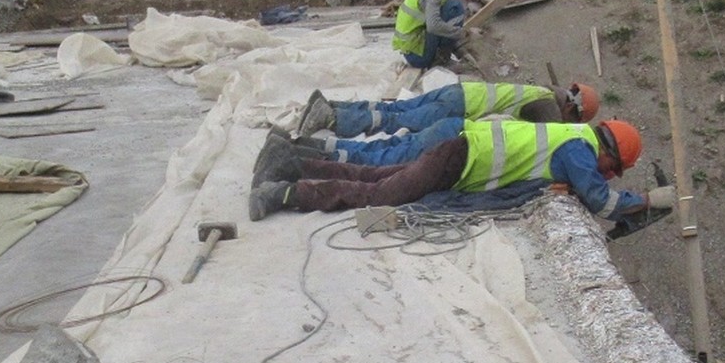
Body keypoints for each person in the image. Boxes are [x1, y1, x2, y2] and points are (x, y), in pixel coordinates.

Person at [248, 118, 674, 240]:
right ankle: (282, 192)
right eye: (611, 169)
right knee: (379, 194)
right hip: (461, 158)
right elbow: (602, 203)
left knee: (373, 173)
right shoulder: (579, 151)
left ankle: (291, 160)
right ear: (608, 154)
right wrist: (649, 200)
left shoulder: (572, 140)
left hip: (462, 149)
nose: (606, 175)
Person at [293, 81, 601, 140]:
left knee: (396, 108)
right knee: (395, 121)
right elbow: (548, 136)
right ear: (573, 111)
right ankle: (331, 118)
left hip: (462, 91)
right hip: (463, 106)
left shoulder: (542, 91)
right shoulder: (547, 105)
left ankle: (331, 105)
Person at [393, 0, 482, 69]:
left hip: (413, 51)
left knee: (450, 8)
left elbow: (439, 28)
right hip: (418, 56)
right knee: (455, 7)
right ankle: (441, 60)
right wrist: (466, 33)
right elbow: (433, 26)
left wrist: (460, 51)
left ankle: (442, 57)